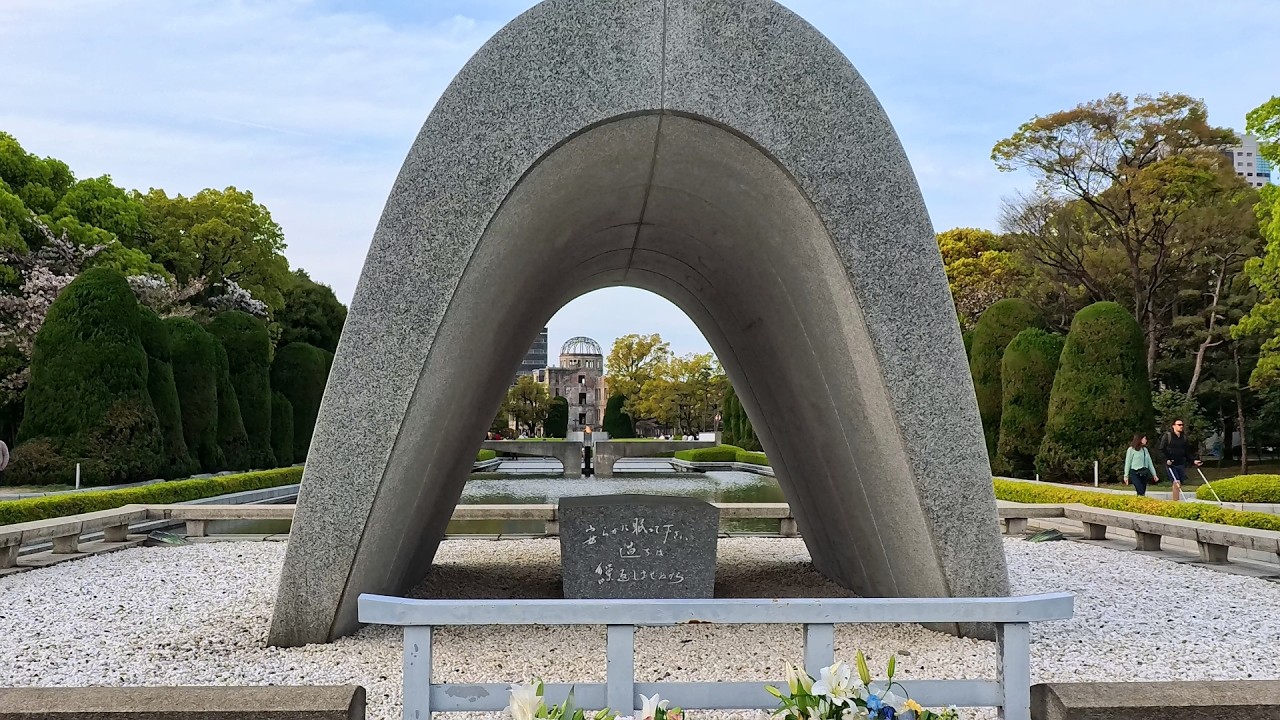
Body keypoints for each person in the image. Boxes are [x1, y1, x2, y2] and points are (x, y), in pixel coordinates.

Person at [1158, 419, 1202, 501]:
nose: (1181, 426)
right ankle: (1176, 501)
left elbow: (1187, 452)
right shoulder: (1168, 436)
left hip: (1181, 463)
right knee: (1176, 482)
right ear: (1173, 426)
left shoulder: (1184, 438)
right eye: (1179, 425)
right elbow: (1161, 449)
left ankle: (1175, 500)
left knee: (1179, 482)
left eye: (1182, 425)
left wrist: (1193, 461)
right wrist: (1166, 459)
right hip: (1171, 463)